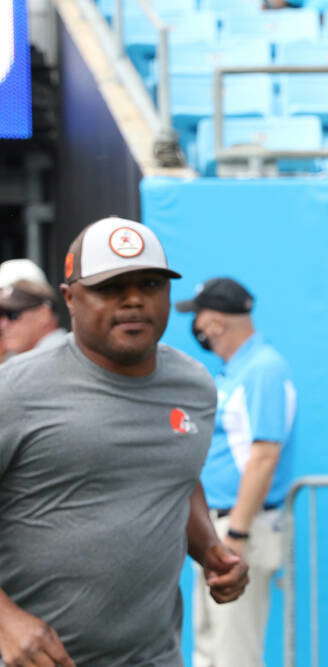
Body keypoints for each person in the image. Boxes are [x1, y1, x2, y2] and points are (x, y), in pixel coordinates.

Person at [0, 217, 249, 666]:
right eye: (111, 287)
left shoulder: (193, 386)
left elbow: (177, 477)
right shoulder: (15, 391)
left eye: (150, 284)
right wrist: (5, 621)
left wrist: (209, 547)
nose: (134, 300)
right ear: (70, 298)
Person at [175, 278, 297, 667]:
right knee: (210, 648)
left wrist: (237, 534)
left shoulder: (263, 368)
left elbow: (264, 455)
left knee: (234, 653)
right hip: (216, 526)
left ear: (213, 321)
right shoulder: (236, 371)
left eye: (197, 317)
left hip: (240, 526)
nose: (196, 327)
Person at [0, 279, 67, 360]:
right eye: (1, 315)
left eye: (12, 314)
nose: (3, 325)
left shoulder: (61, 356)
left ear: (43, 315)